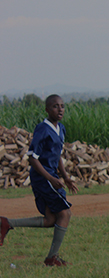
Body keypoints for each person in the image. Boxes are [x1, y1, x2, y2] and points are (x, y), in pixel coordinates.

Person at [0, 95, 78, 266]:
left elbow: (57, 155)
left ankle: (5, 223)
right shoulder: (42, 129)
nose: (60, 109)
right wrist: (51, 178)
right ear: (47, 110)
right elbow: (32, 158)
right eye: (55, 106)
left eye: (62, 106)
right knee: (65, 213)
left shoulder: (61, 128)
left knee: (51, 220)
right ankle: (52, 258)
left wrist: (65, 177)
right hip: (43, 178)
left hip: (51, 177)